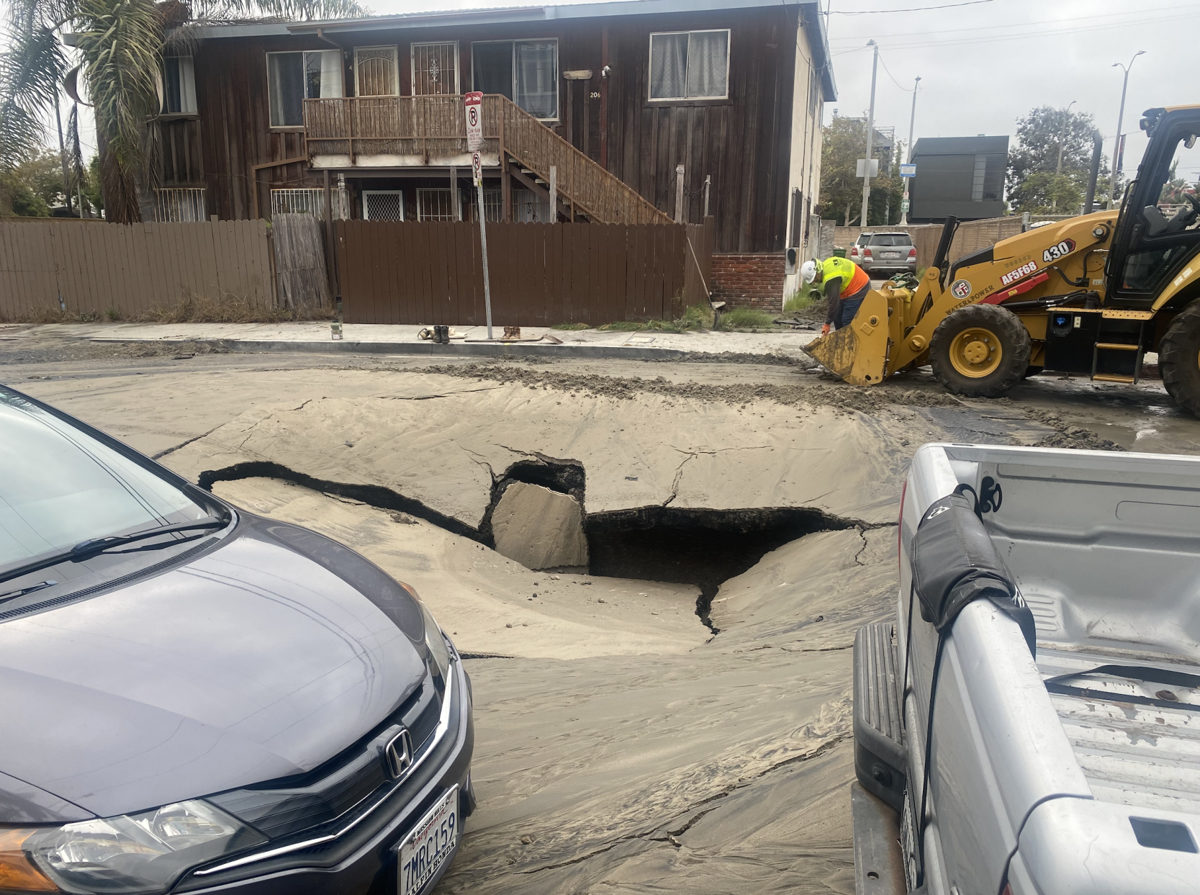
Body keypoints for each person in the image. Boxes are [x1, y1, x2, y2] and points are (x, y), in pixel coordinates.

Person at [800, 256, 871, 335]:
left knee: (847, 321)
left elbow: (834, 303)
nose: (814, 282)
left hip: (859, 287)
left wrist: (827, 324)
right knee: (837, 318)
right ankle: (841, 341)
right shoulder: (825, 266)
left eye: (815, 279)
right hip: (847, 288)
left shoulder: (831, 279)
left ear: (818, 271)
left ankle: (852, 345)